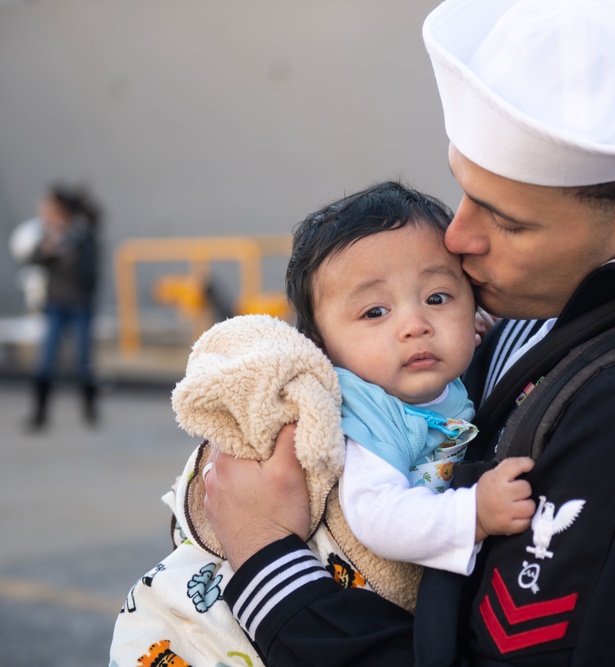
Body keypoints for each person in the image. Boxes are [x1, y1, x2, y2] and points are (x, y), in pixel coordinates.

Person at [203, 1, 615, 664]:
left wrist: (264, 559)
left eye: (508, 222)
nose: (457, 236)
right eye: (463, 189)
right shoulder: (551, 300)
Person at [111, 181, 536, 666]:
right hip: (221, 628)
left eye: (438, 298)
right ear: (323, 344)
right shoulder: (369, 408)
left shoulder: (437, 380)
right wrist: (473, 515)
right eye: (375, 311)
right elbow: (376, 515)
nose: (415, 323)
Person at [24, 184, 102, 431]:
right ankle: (39, 414)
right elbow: (33, 258)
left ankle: (90, 412)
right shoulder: (49, 234)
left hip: (79, 304)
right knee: (46, 359)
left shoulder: (82, 235)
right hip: (55, 304)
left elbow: (91, 273)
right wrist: (49, 250)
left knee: (83, 360)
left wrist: (70, 258)